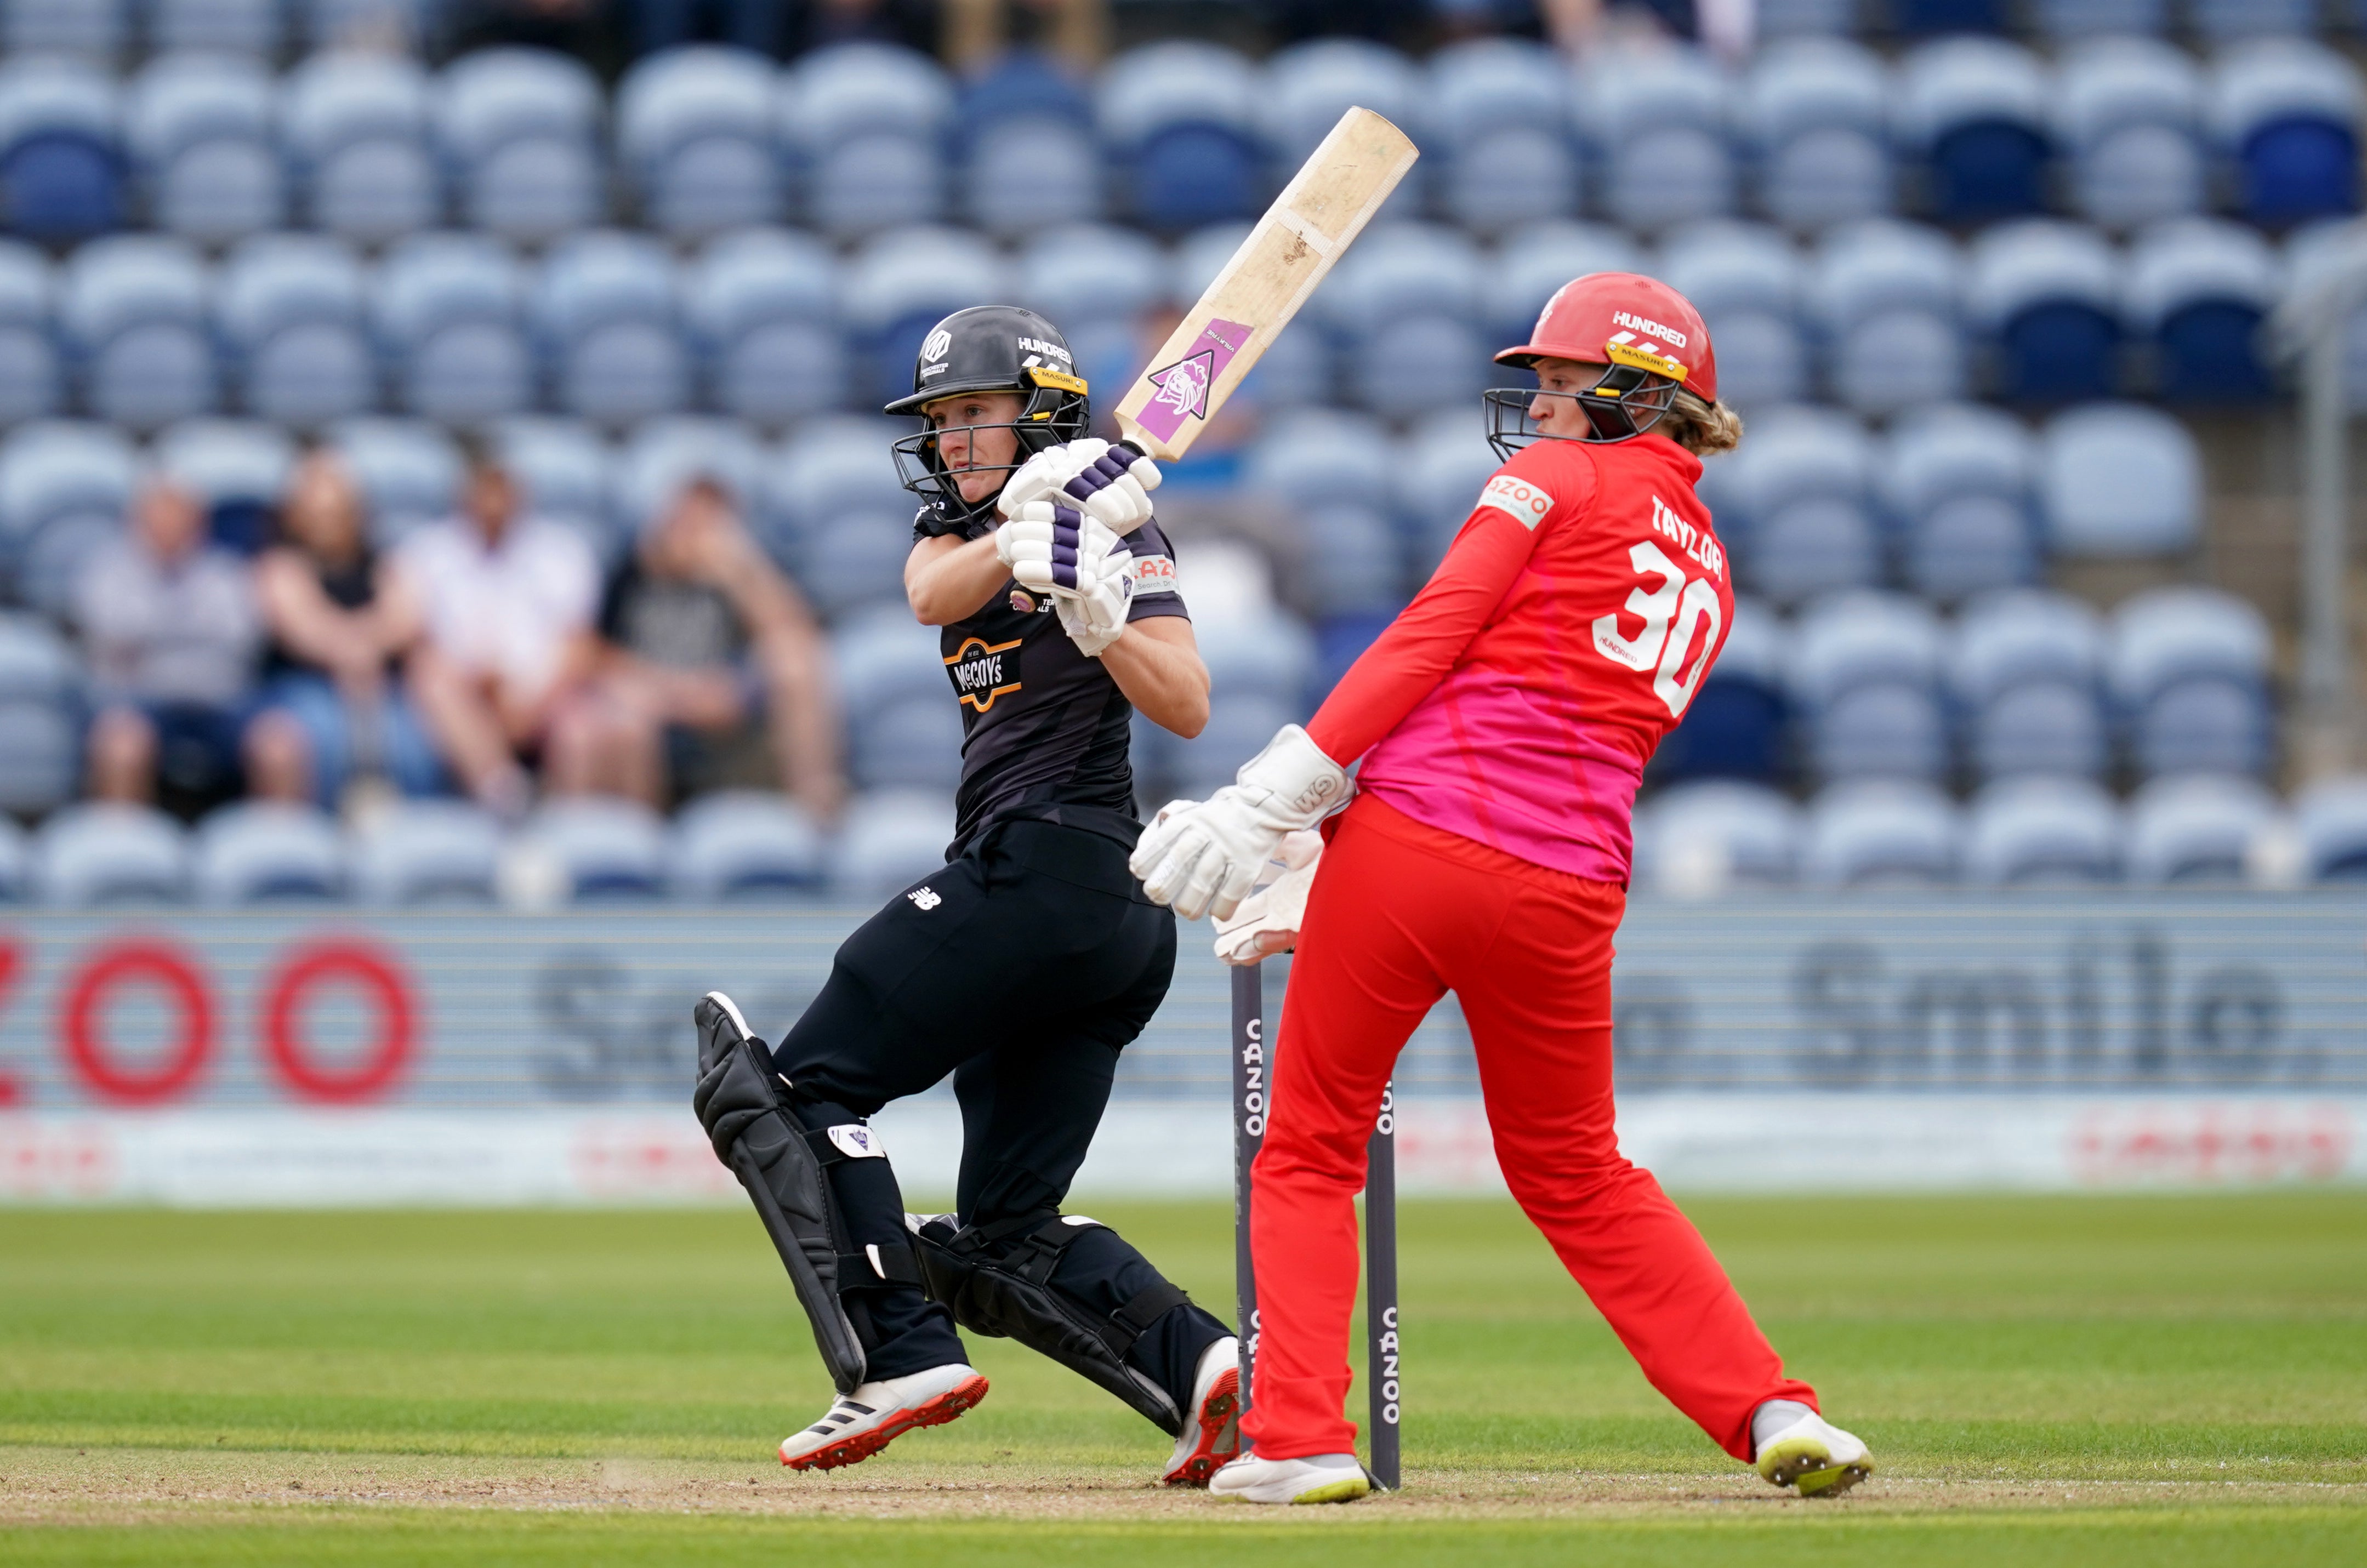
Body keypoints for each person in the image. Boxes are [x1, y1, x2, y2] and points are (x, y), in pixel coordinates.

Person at [1132, 273, 1874, 1504]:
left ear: (1637, 395)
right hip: (1571, 889)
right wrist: (1332, 844)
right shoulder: (1711, 568)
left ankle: (1302, 1436)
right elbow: (1550, 722)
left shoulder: (1547, 481)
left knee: (1310, 1145)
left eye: (1560, 383)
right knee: (1579, 1171)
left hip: (1419, 848)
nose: (1534, 406)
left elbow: (1428, 634)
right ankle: (1770, 1405)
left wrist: (1275, 800)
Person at [690, 305, 1244, 1485]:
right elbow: (930, 592)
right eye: (937, 419)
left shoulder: (1123, 542)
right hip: (1101, 925)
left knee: (790, 1087)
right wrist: (1021, 532)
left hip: (1055, 872)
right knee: (1002, 1225)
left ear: (1036, 411)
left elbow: (1185, 701)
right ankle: (1206, 1369)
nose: (948, 439)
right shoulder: (962, 537)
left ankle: (897, 1353)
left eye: (970, 414)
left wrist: (1098, 614)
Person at [562, 475, 843, 816]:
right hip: (650, 707)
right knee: (610, 722)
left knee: (796, 663)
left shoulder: (731, 579)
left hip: (725, 717)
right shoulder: (633, 570)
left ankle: (817, 806)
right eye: (686, 521)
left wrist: (741, 571)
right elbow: (592, 652)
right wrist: (678, 694)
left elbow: (795, 635)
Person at [395, 446, 601, 820]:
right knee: (431, 676)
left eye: (501, 489)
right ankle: (506, 798)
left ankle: (574, 836)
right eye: (483, 489)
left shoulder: (562, 551)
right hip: (463, 694)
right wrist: (482, 685)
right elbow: (414, 639)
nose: (492, 502)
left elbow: (580, 647)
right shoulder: (426, 551)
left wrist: (531, 706)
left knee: (586, 728)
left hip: (544, 696)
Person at [77, 478, 295, 811]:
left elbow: (242, 641)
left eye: (179, 520)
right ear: (139, 524)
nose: (169, 529)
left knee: (279, 745)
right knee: (121, 746)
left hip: (223, 704)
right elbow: (112, 638)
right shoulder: (109, 572)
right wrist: (193, 634)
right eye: (159, 519)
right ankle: (120, 848)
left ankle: (280, 847)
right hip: (141, 702)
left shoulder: (227, 574)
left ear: (199, 525)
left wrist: (154, 638)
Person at [252, 451, 445, 810]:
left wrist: (361, 648)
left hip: (382, 686)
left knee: (416, 743)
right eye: (317, 514)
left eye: (337, 513)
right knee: (316, 739)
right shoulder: (281, 563)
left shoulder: (382, 562)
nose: (328, 524)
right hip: (304, 687)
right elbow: (303, 628)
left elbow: (406, 619)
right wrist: (357, 648)